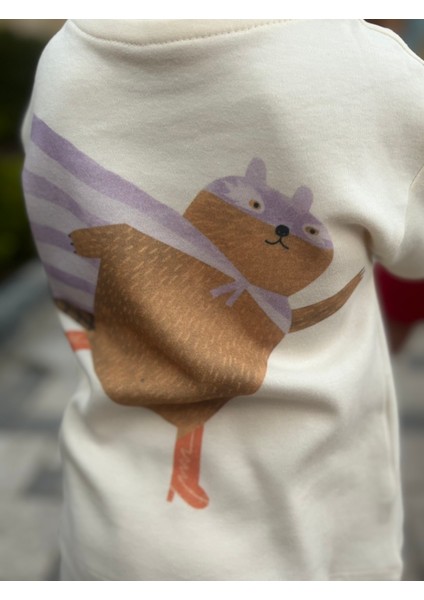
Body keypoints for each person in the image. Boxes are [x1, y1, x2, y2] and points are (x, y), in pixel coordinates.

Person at [21, 19, 424, 580]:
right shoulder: (377, 75)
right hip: (308, 536)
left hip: (109, 533)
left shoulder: (65, 60)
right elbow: (414, 260)